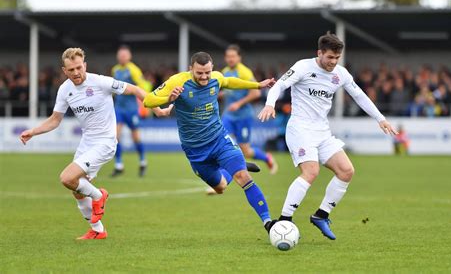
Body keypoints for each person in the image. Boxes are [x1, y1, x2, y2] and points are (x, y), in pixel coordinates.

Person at [19, 48, 173, 240]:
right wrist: (33, 132)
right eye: (71, 69)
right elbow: (55, 119)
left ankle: (99, 196)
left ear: (85, 65)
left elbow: (135, 89)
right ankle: (98, 230)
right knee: (76, 188)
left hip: (106, 142)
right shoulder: (65, 89)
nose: (76, 72)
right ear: (64, 71)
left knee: (66, 178)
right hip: (87, 143)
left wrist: (157, 110)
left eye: (78, 67)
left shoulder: (100, 81)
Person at [258, 32, 397, 240]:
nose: (333, 62)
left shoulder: (340, 73)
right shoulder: (303, 67)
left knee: (346, 171)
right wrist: (270, 104)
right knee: (311, 172)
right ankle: (285, 220)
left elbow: (359, 95)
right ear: (319, 53)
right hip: (300, 129)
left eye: (337, 58)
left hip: (322, 132)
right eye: (330, 57)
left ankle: (321, 215)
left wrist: (380, 118)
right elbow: (279, 85)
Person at [143, 51, 277, 233]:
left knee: (243, 177)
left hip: (219, 139)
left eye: (207, 72)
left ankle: (268, 223)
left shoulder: (216, 78)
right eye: (199, 73)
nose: (204, 77)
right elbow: (148, 101)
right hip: (195, 150)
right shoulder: (178, 81)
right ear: (191, 69)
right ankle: (234, 165)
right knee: (221, 187)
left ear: (212, 68)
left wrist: (257, 85)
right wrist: (169, 99)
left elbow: (230, 82)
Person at [221, 45, 278, 174]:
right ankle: (223, 177)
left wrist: (239, 104)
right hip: (228, 115)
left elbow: (256, 93)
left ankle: (267, 158)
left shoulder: (244, 72)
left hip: (243, 116)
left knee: (246, 151)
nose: (230, 59)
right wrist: (222, 94)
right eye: (228, 56)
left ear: (239, 57)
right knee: (223, 142)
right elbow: (231, 89)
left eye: (233, 56)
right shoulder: (225, 71)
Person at [110, 45, 153, 177]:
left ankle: (142, 162)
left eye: (124, 55)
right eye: (120, 55)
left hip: (131, 109)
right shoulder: (115, 70)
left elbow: (142, 86)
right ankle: (119, 165)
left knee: (136, 137)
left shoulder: (133, 70)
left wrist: (148, 99)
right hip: (119, 108)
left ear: (129, 57)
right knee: (115, 136)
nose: (122, 57)